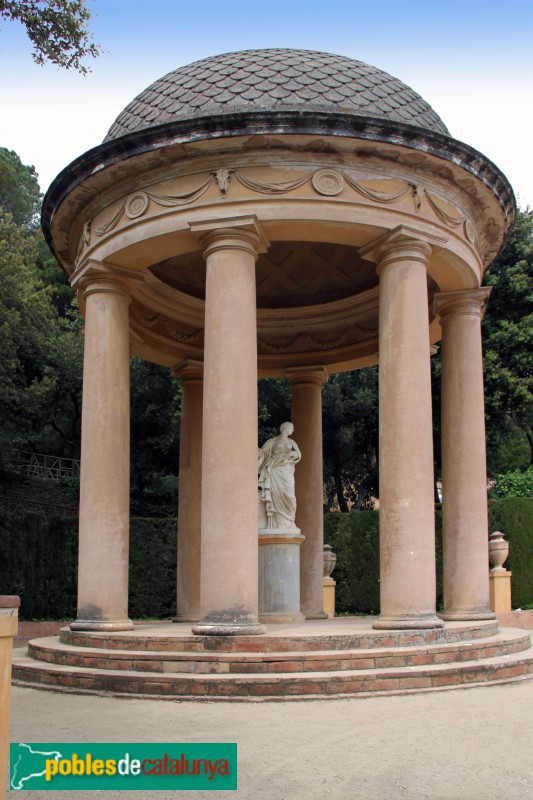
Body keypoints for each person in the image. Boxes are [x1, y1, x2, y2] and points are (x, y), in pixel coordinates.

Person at [258, 422, 301, 529]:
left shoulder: (292, 442)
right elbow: (263, 453)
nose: (293, 430)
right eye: (292, 427)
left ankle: (289, 521)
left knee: (289, 493)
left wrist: (292, 454)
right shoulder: (272, 441)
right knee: (276, 494)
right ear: (284, 428)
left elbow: (299, 454)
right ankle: (279, 523)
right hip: (275, 470)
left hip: (287, 470)